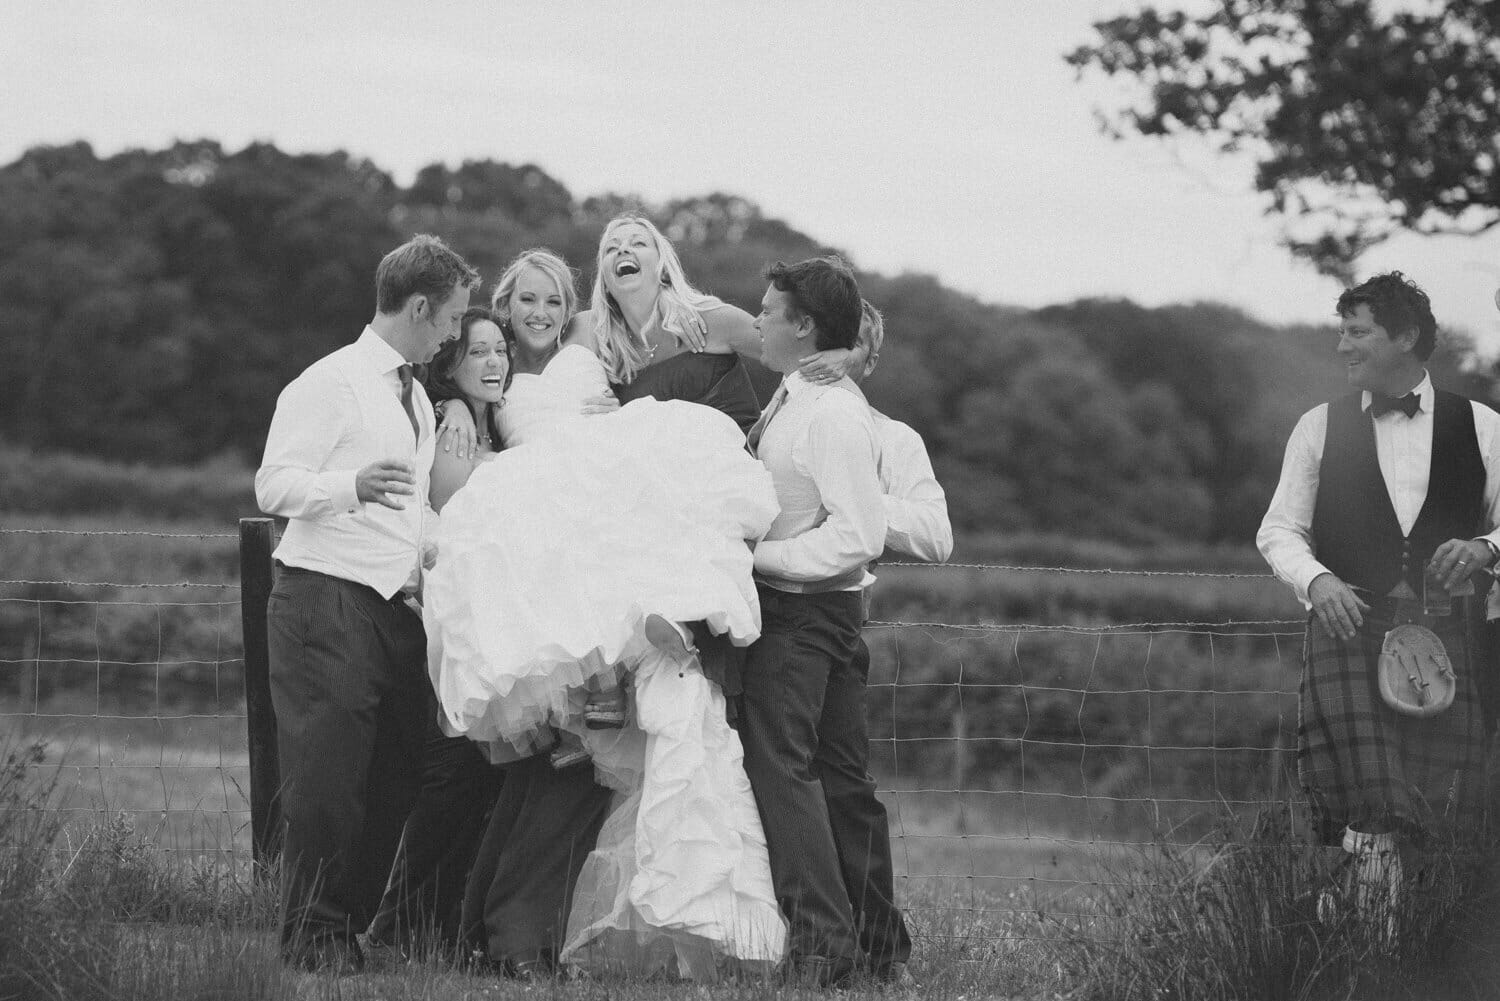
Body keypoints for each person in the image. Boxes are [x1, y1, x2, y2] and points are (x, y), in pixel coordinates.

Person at [426, 241, 790, 979]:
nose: (541, 312)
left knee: (580, 753)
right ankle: (503, 934)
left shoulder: (592, 344)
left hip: (599, 515)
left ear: (573, 308)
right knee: (554, 759)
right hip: (543, 534)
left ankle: (508, 932)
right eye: (526, 298)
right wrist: (457, 403)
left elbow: (668, 323)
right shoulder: (491, 378)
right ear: (503, 306)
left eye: (555, 300)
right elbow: (458, 398)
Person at [254, 234, 479, 972]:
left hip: (393, 609)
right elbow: (274, 484)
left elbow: (407, 505)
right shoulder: (328, 382)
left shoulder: (412, 392)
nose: (455, 333)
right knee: (328, 781)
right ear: (418, 306)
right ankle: (310, 937)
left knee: (395, 771)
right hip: (324, 600)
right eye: (451, 318)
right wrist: (348, 486)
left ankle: (344, 926)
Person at [1256, 271, 1500, 939]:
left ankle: (1402, 945)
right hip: (1348, 631)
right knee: (1369, 805)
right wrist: (1317, 582)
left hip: (1450, 645)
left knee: (1441, 811)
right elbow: (1278, 528)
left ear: (1407, 336)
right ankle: (1373, 951)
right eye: (1342, 331)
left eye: (1357, 331)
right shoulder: (1318, 426)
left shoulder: (1482, 426)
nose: (1342, 346)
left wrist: (1488, 548)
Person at [739, 256, 889, 988]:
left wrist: (758, 558)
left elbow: (859, 533)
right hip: (809, 613)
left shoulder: (831, 413)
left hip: (803, 616)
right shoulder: (797, 394)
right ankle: (870, 942)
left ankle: (827, 944)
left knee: (784, 772)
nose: (758, 319)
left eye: (768, 310)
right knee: (835, 781)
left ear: (803, 326)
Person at [363, 307, 511, 958]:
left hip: (489, 622)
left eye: (499, 350)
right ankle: (395, 925)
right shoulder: (453, 429)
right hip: (451, 621)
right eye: (478, 352)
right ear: (450, 365)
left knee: (477, 780)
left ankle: (440, 925)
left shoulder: (493, 432)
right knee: (448, 777)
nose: (494, 361)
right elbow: (457, 521)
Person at [828, 300, 953, 984]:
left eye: (849, 347)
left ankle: (881, 948)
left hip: (839, 615)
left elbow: (937, 534)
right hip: (755, 613)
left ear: (867, 360)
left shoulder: (893, 438)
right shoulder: (772, 418)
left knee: (848, 788)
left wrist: (856, 505)